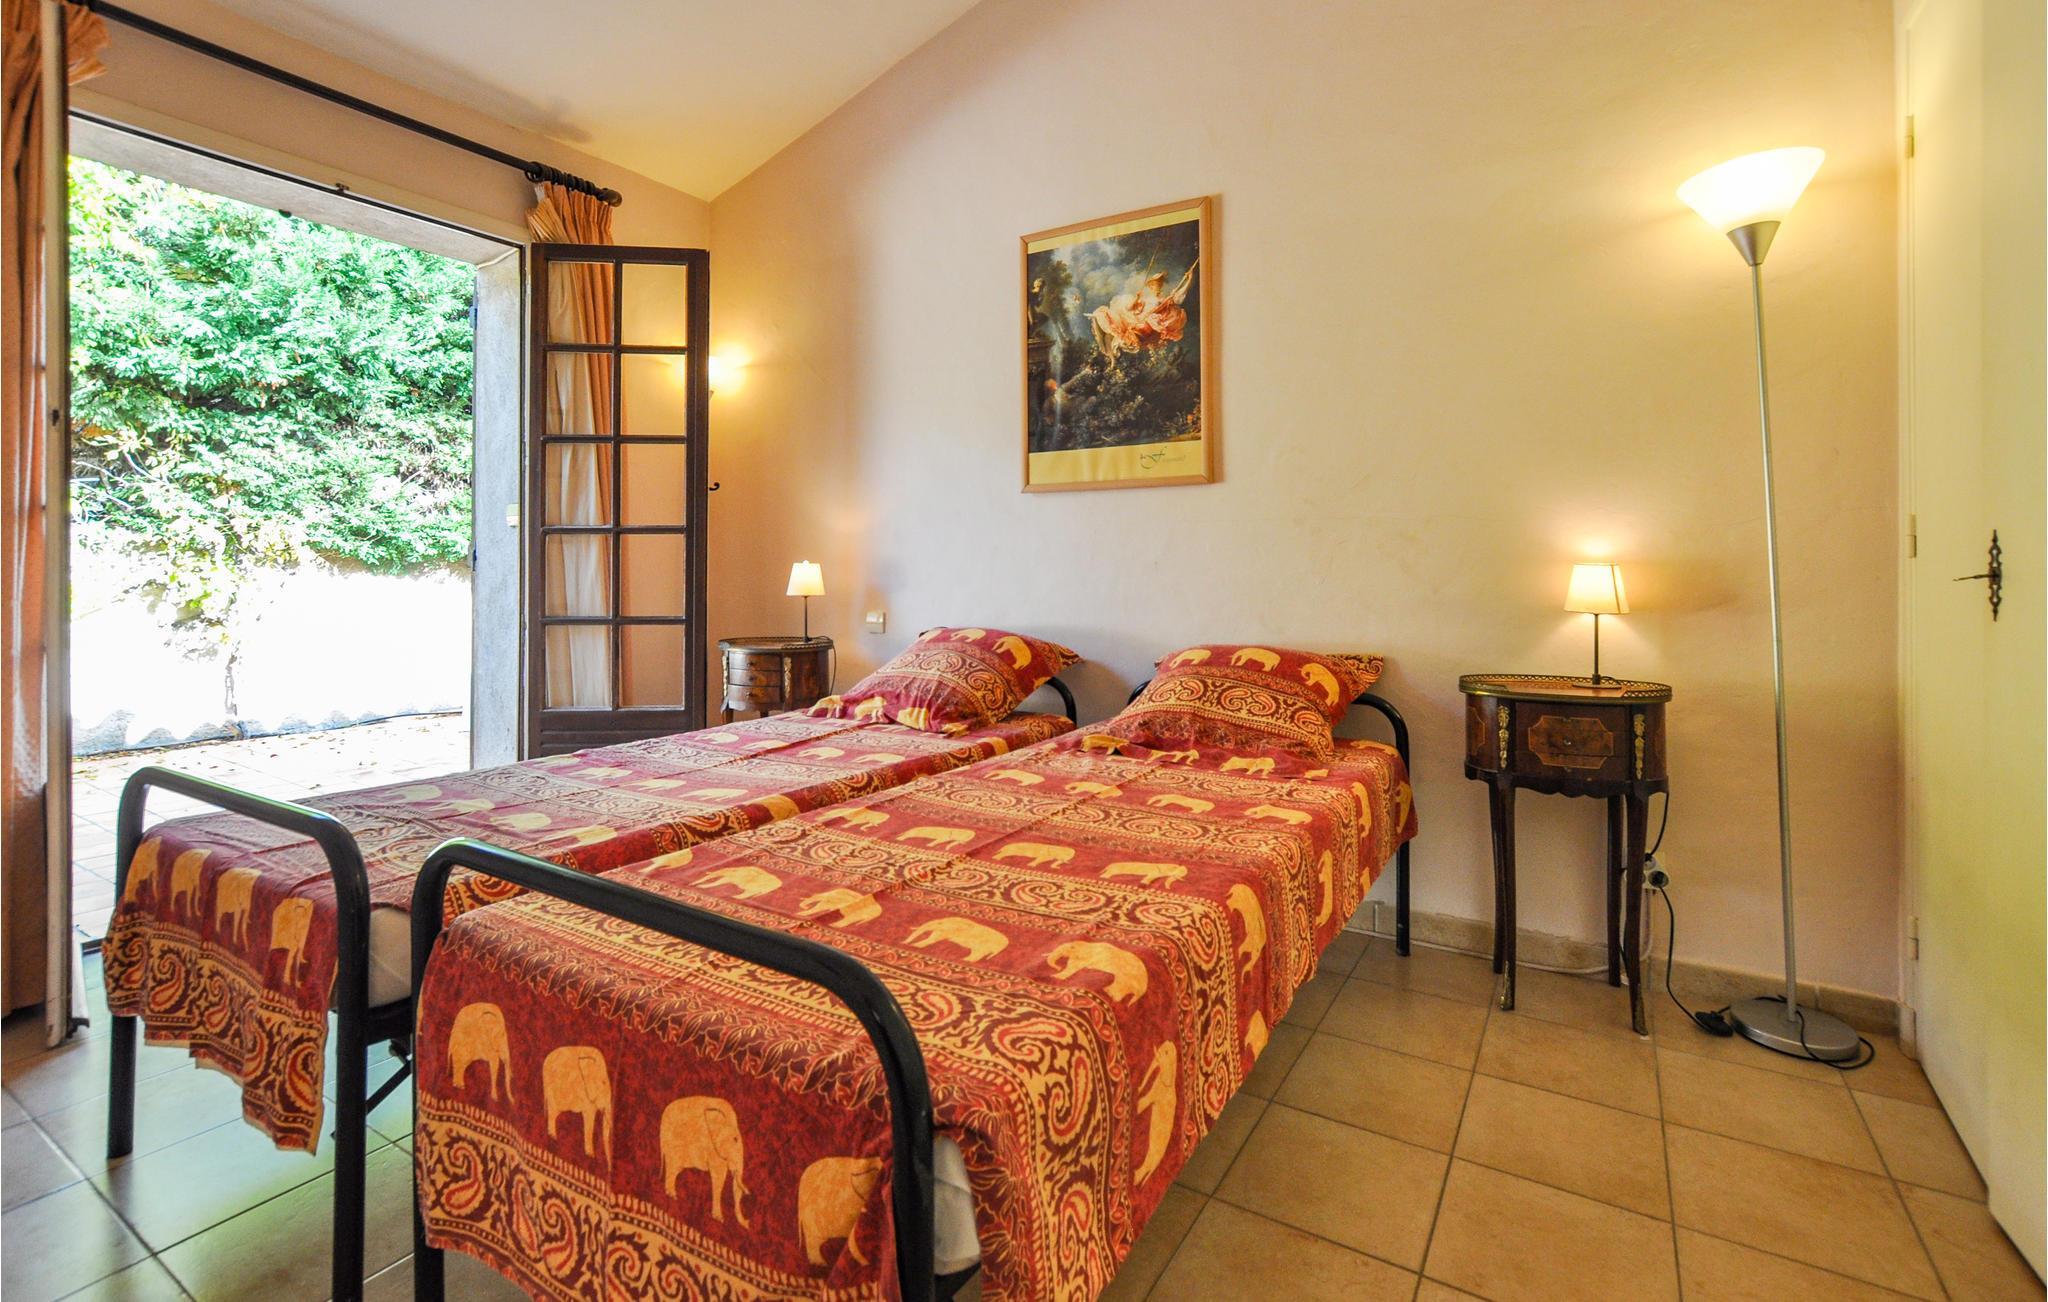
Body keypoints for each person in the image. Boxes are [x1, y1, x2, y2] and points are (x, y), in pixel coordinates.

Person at [1088, 261, 1196, 366]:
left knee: (1120, 340)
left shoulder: (1164, 299)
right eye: (1154, 284)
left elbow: (1178, 297)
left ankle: (1113, 358)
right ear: (1151, 286)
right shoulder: (1145, 300)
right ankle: (1111, 358)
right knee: (1107, 329)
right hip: (1134, 323)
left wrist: (1189, 280)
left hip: (1144, 329)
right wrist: (1136, 299)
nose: (1157, 286)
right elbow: (1129, 309)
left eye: (1159, 284)